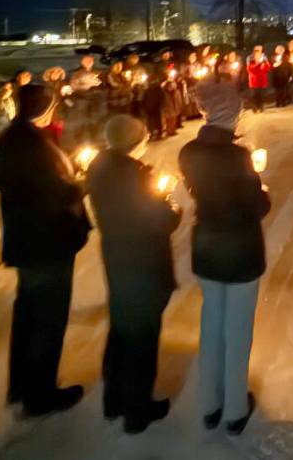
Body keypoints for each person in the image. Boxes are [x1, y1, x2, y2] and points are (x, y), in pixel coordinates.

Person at [179, 80, 271, 437]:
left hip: (207, 247)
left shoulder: (188, 152)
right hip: (240, 250)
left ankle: (209, 405)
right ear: (228, 113)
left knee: (211, 326)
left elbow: (200, 193)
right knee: (237, 330)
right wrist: (262, 187)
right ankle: (234, 408)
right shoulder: (237, 156)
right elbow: (255, 205)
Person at [0, 84, 89, 416]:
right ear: (42, 108)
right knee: (46, 320)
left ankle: (22, 385)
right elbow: (54, 194)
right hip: (45, 243)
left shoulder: (15, 137)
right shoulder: (32, 146)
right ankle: (40, 394)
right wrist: (80, 183)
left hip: (28, 241)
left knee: (28, 315)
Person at [87, 115, 180, 434]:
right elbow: (162, 221)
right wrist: (169, 204)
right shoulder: (136, 175)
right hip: (143, 262)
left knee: (121, 329)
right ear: (134, 141)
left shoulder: (100, 166)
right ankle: (138, 410)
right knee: (142, 337)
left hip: (117, 256)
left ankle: (114, 398)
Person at [246, 46, 271, 113]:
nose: (258, 56)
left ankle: (261, 106)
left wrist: (264, 66)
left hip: (262, 81)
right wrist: (258, 64)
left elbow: (268, 68)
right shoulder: (251, 61)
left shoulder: (264, 61)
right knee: (254, 95)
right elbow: (250, 69)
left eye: (259, 54)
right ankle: (255, 107)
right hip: (254, 82)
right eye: (256, 55)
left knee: (262, 95)